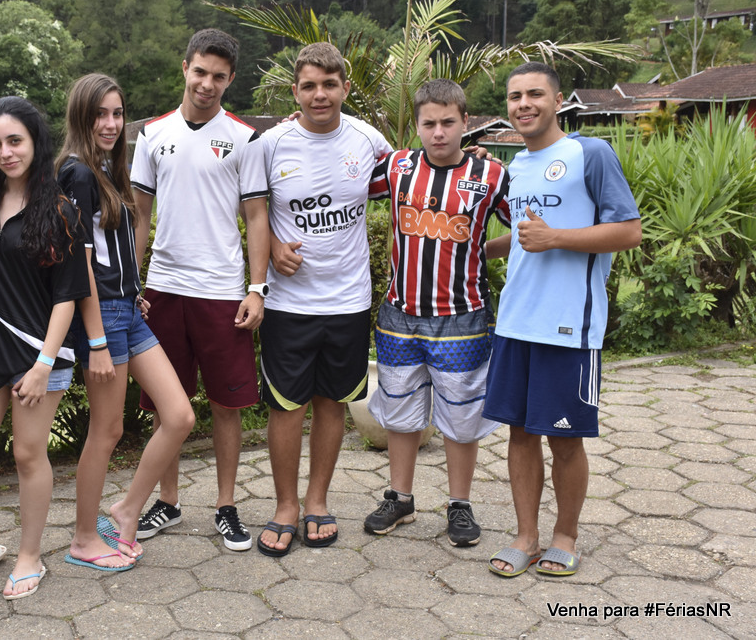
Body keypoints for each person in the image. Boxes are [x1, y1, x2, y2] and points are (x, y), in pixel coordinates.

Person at [485, 62, 641, 577]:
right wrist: (479, 250)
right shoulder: (516, 166)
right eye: (514, 97)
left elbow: (628, 231)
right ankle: (525, 537)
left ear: (557, 101)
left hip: (569, 326)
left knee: (565, 438)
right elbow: (528, 235)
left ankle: (565, 536)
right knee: (519, 434)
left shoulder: (589, 153)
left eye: (534, 94)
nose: (523, 104)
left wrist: (555, 238)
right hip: (515, 322)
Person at [131, 28, 270, 552]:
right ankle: (167, 502)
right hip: (163, 289)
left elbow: (256, 217)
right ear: (184, 68)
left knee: (226, 405)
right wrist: (130, 284)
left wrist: (256, 289)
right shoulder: (151, 134)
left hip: (221, 291)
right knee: (166, 407)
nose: (206, 84)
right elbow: (140, 217)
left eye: (218, 76)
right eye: (200, 72)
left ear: (230, 80)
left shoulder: (245, 138)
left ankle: (226, 506)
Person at [362, 79, 511, 547]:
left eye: (448, 122)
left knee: (462, 418)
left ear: (466, 122)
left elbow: (531, 226)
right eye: (429, 123)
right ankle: (399, 498)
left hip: (463, 320)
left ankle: (459, 505)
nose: (439, 132)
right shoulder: (397, 167)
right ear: (418, 125)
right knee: (400, 413)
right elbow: (338, 177)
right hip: (399, 316)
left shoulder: (492, 175)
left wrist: (482, 251)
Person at [56, 73, 196, 570]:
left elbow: (113, 251)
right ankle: (83, 539)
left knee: (179, 416)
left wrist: (133, 291)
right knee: (107, 431)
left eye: (117, 114)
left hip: (127, 309)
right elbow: (80, 266)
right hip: (104, 319)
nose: (111, 124)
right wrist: (95, 339)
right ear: (81, 116)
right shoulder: (76, 173)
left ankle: (127, 509)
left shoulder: (105, 168)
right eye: (100, 114)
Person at [0, 96, 90, 599]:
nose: (6, 152)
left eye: (15, 141)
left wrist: (44, 364)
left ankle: (31, 555)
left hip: (40, 356)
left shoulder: (60, 210)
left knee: (29, 455)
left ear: (35, 142)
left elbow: (68, 296)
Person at [257, 42, 391, 556]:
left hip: (348, 300)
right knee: (286, 407)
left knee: (332, 402)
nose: (320, 95)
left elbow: (416, 175)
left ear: (345, 88)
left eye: (329, 85)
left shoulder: (369, 140)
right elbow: (246, 211)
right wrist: (272, 245)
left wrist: (474, 159)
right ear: (295, 91)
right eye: (309, 86)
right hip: (288, 303)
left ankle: (317, 501)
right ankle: (285, 506)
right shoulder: (271, 144)